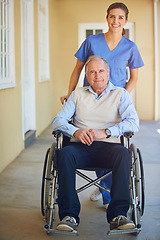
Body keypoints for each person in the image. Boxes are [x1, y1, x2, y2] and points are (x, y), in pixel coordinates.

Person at [60, 2, 144, 207]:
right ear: (107, 18)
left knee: (109, 139)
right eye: (112, 16)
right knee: (90, 133)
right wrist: (70, 94)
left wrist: (121, 96)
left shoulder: (130, 47)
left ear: (125, 20)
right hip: (89, 98)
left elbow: (133, 77)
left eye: (121, 17)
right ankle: (106, 190)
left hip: (114, 101)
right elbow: (78, 69)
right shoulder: (92, 41)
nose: (116, 21)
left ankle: (105, 189)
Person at [52, 55, 139, 232]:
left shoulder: (120, 94)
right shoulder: (77, 94)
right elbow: (58, 121)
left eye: (100, 71)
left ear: (108, 73)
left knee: (123, 153)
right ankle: (69, 216)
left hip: (109, 147)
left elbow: (133, 123)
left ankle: (118, 215)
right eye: (92, 72)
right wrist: (75, 131)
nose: (97, 75)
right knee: (65, 153)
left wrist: (106, 131)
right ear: (87, 75)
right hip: (79, 147)